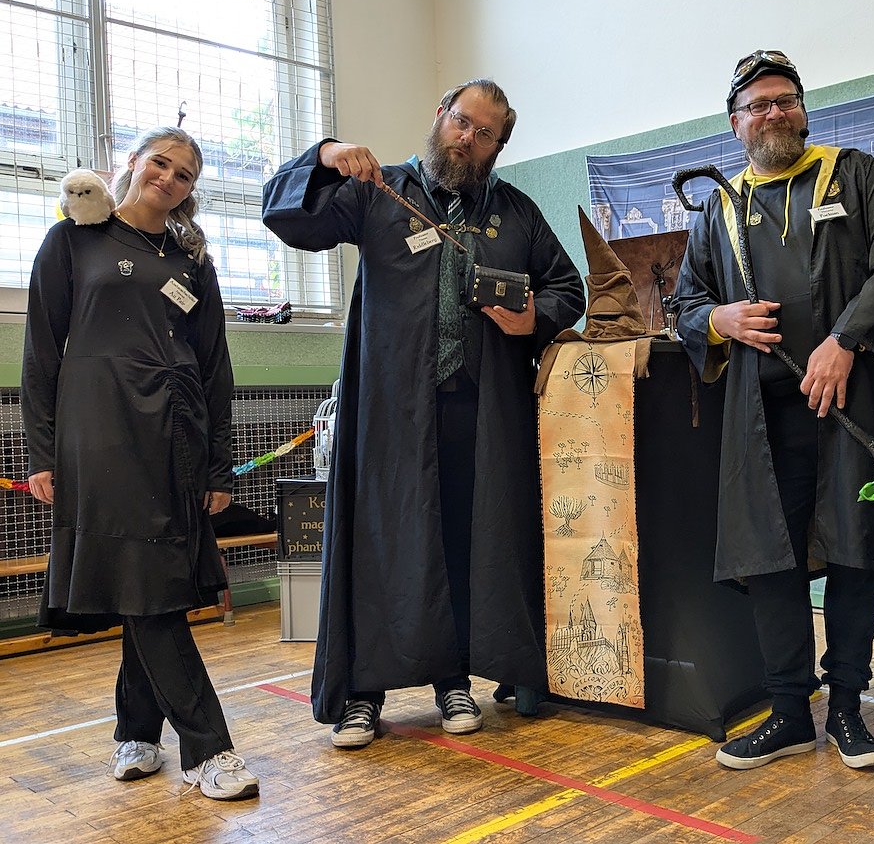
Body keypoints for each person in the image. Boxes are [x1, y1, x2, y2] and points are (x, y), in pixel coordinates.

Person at [262, 79, 585, 749]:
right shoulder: (378, 191)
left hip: (480, 413)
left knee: (464, 543)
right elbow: (284, 214)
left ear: (498, 146)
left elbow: (567, 287)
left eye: (485, 133)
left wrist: (533, 316)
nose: (468, 138)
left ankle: (452, 680)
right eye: (462, 121)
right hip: (389, 412)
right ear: (440, 115)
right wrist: (326, 154)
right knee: (378, 544)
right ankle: (363, 694)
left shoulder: (515, 212)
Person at [671, 50, 874, 772]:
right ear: (736, 124)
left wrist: (843, 340)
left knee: (856, 552)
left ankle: (849, 708)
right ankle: (790, 713)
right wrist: (719, 320)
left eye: (785, 100)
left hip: (851, 406)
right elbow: (686, 303)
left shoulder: (853, 176)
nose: (774, 113)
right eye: (758, 105)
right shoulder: (718, 208)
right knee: (771, 562)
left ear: (803, 109)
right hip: (761, 420)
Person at [23, 127, 259, 800]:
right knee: (147, 584)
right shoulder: (71, 240)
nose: (169, 178)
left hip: (175, 439)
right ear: (132, 163)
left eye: (184, 174)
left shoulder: (192, 261)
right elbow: (41, 350)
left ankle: (137, 732)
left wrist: (219, 466)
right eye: (160, 163)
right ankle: (209, 748)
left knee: (146, 583)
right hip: (98, 437)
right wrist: (43, 451)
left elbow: (214, 366)